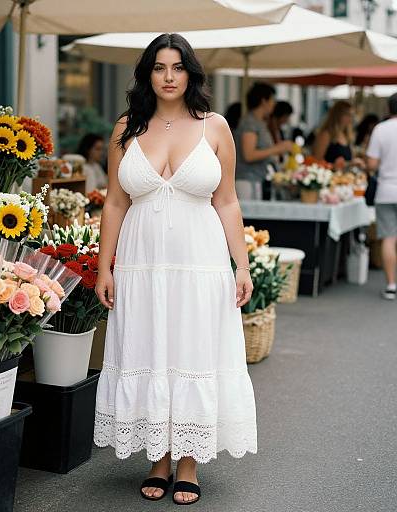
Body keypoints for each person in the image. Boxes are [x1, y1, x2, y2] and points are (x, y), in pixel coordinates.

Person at [94, 33, 257, 506]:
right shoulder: (127, 128)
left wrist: (241, 264)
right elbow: (115, 202)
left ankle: (188, 461)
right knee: (151, 345)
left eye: (177, 67)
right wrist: (106, 268)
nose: (168, 76)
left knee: (192, 349)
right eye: (159, 67)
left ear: (190, 74)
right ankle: (159, 458)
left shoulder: (215, 128)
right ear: (147, 74)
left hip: (200, 261)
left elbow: (226, 200)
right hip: (143, 263)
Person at [235, 82, 293, 200]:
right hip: (247, 181)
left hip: (257, 180)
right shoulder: (250, 123)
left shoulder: (259, 122)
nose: (274, 104)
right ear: (263, 101)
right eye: (272, 100)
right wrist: (277, 149)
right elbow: (249, 155)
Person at [366, 93, 397, 300]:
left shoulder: (381, 129)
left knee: (388, 238)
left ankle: (391, 285)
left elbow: (371, 165)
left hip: (386, 190)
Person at [312, 100, 354, 165]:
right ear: (338, 115)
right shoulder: (326, 134)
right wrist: (333, 166)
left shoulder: (346, 135)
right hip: (328, 174)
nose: (350, 118)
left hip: (343, 174)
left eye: (351, 115)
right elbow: (316, 161)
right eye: (347, 114)